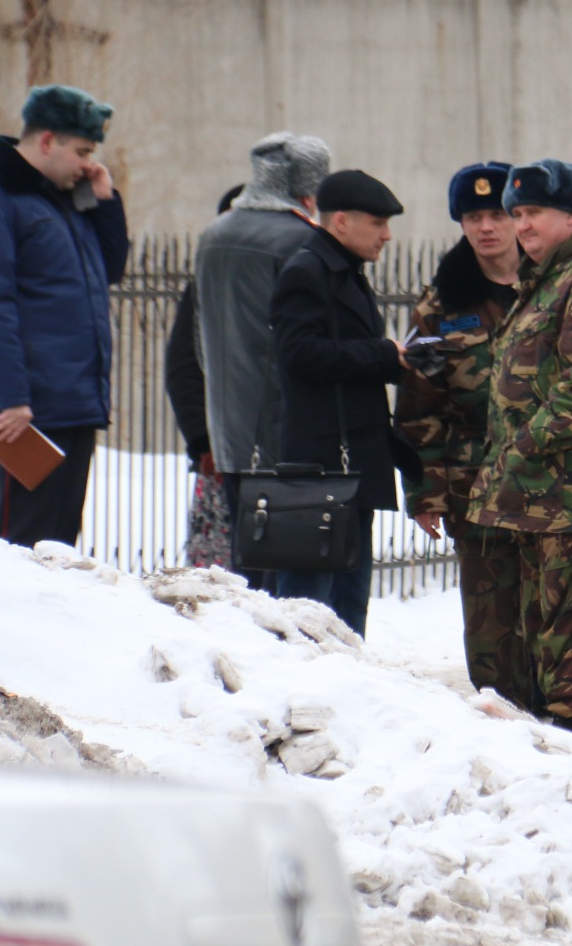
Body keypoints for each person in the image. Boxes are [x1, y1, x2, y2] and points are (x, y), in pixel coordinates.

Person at [468, 159, 572, 744]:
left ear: (571, 215)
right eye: (516, 214)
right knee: (552, 652)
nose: (521, 225)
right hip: (540, 500)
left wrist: (521, 444)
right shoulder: (544, 283)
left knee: (570, 656)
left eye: (532, 212)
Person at [0, 84, 126, 547]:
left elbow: (110, 269)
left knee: (59, 546)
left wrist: (103, 201)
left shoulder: (62, 201)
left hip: (73, 402)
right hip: (24, 414)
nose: (90, 163)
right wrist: (11, 399)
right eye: (83, 151)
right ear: (47, 142)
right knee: (19, 546)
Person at [394, 162, 530, 704]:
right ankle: (500, 717)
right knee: (490, 621)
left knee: (552, 615)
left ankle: (561, 731)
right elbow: (419, 404)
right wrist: (426, 493)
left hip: (550, 480)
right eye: (473, 216)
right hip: (476, 486)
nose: (487, 227)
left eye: (498, 213)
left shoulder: (551, 289)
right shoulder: (442, 304)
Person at [269, 169, 414, 637]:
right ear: (342, 222)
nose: (387, 235)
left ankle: (345, 691)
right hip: (321, 467)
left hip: (351, 461)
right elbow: (299, 354)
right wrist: (382, 354)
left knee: (348, 609)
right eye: (378, 223)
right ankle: (302, 697)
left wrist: (397, 361)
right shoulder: (307, 271)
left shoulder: (342, 272)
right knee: (310, 609)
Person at [195, 131, 332, 587]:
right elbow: (310, 343)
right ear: (308, 188)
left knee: (249, 569)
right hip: (285, 431)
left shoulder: (214, 235)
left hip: (229, 429)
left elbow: (200, 336)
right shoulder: (303, 241)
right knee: (289, 582)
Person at [166, 184, 245, 568]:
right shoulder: (203, 287)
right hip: (221, 450)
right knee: (219, 577)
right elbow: (182, 368)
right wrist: (202, 440)